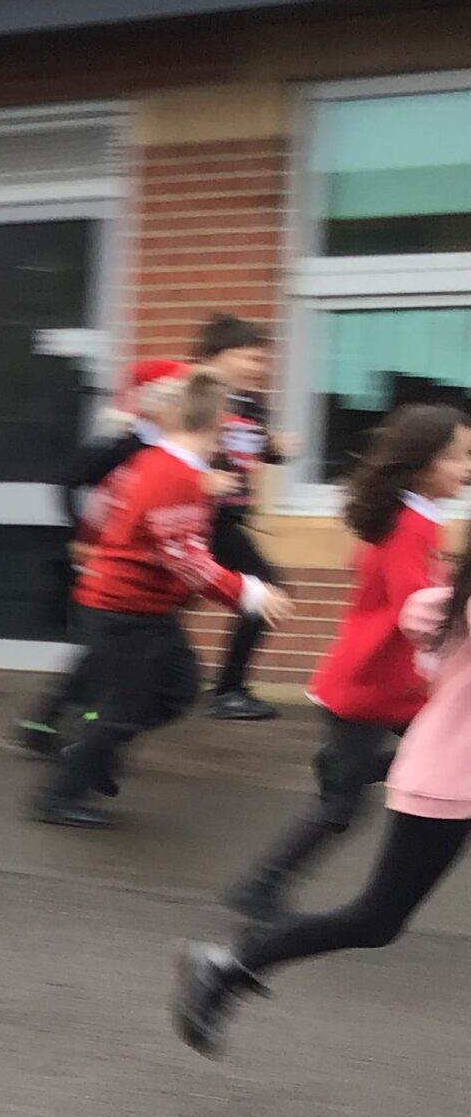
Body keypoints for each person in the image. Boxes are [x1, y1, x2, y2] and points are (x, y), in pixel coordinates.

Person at [175, 548, 471, 1055]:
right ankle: (228, 966)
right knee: (374, 921)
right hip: (444, 787)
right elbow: (420, 610)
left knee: (376, 920)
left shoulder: (449, 607)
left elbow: (419, 610)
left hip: (442, 767)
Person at [222, 404, 470, 925]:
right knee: (341, 808)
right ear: (421, 462)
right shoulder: (411, 525)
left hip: (395, 686)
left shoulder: (414, 518)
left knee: (447, 758)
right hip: (370, 689)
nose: (467, 467)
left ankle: (349, 767)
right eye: (457, 456)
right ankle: (258, 890)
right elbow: (417, 608)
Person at [31, 371, 289, 828]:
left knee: (179, 688)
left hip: (145, 607)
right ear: (212, 425)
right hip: (122, 610)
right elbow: (184, 557)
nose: (228, 441)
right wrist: (249, 591)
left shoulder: (169, 466)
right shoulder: (173, 474)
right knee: (127, 705)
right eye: (226, 429)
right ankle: (60, 794)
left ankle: (91, 752)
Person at [14, 361, 190, 756]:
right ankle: (82, 735)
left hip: (145, 568)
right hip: (111, 565)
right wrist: (77, 536)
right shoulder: (124, 444)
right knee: (112, 656)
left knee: (104, 655)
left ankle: (53, 726)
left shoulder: (170, 448)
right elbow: (66, 479)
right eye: (176, 396)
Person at [193, 315, 289, 720]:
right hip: (196, 517)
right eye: (249, 358)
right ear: (216, 356)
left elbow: (247, 450)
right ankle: (228, 689)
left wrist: (274, 450)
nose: (257, 368)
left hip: (228, 518)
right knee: (263, 589)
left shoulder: (253, 404)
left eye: (261, 360)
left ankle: (229, 689)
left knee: (262, 590)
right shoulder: (193, 395)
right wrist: (201, 478)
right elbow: (161, 450)